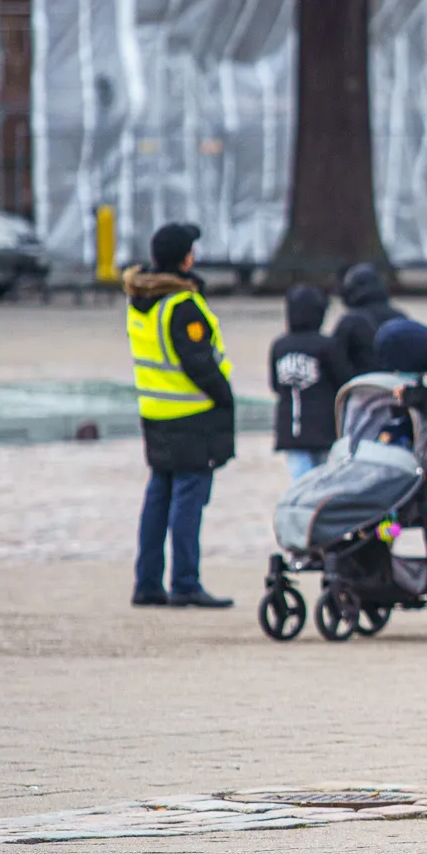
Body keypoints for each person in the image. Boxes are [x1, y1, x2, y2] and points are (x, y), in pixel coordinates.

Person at [125, 222, 236, 609]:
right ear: (185, 259)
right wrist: (224, 395)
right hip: (191, 414)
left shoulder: (141, 298)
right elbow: (199, 362)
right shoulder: (181, 305)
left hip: (156, 411)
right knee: (188, 499)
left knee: (159, 495)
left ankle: (147, 582)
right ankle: (185, 582)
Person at [269, 284, 348, 480]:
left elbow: (275, 385)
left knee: (301, 481)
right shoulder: (327, 345)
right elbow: (343, 380)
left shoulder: (280, 345)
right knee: (324, 480)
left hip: (290, 429)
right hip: (324, 427)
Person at [333, 262, 408, 377]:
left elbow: (335, 359)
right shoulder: (400, 317)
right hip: (396, 382)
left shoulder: (350, 321)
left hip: (361, 383)